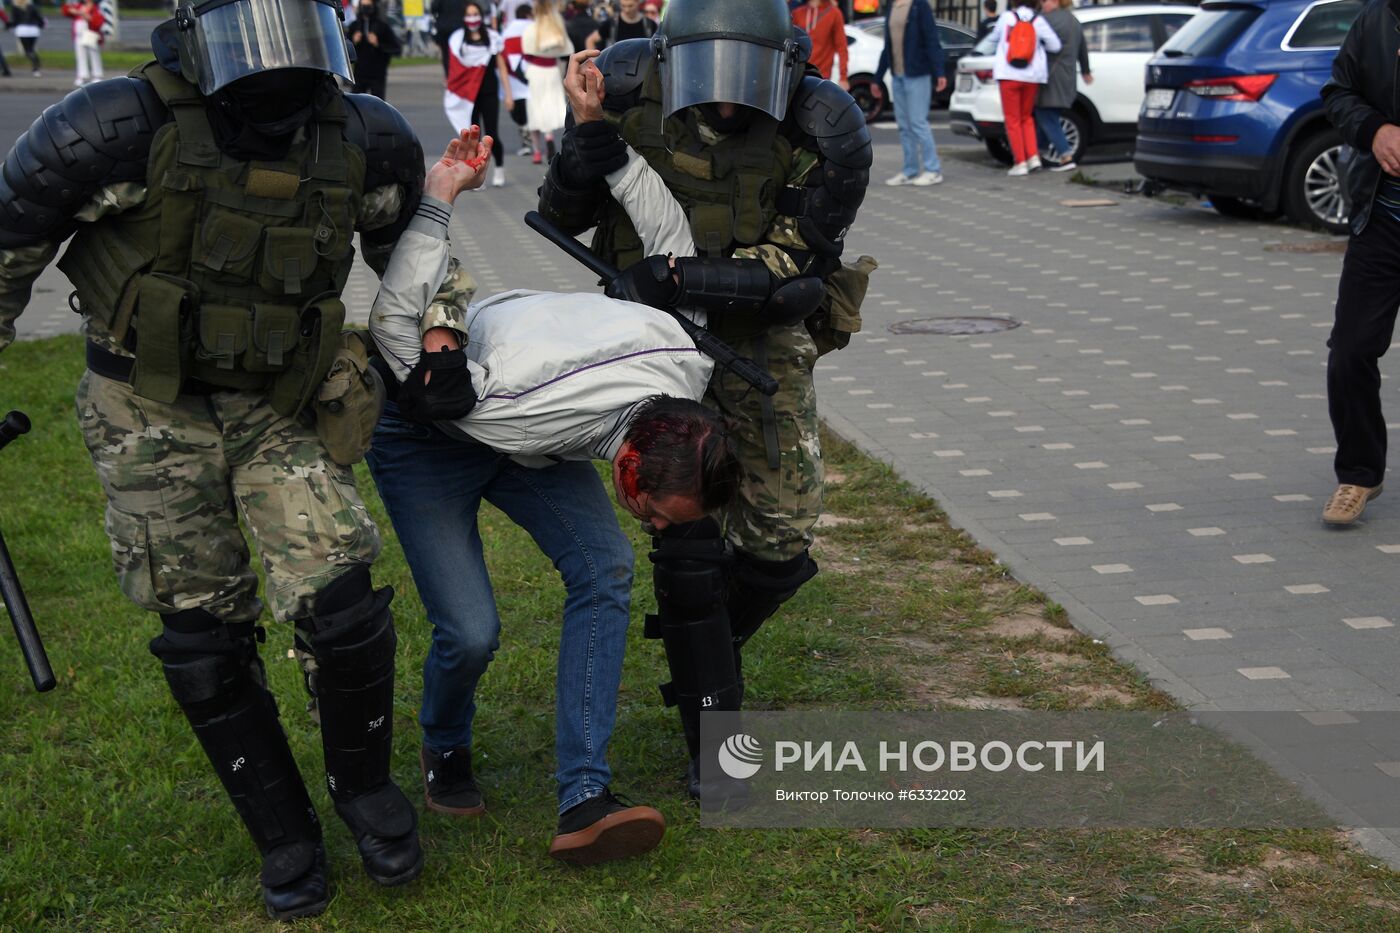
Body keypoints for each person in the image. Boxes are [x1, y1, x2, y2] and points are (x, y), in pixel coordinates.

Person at [0, 0, 478, 920]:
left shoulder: (363, 139)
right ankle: (284, 834)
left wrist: (442, 336)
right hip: (146, 402)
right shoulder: (108, 132)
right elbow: (9, 242)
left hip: (282, 396)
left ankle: (366, 791)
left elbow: (413, 252)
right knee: (202, 635)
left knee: (341, 602)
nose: (276, 72)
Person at [364, 127, 740, 862]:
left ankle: (584, 796)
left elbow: (672, 241)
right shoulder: (523, 404)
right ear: (632, 472)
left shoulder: (689, 359)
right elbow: (390, 324)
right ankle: (443, 744)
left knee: (604, 568)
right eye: (661, 516)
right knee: (471, 630)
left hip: (536, 437)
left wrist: (611, 150)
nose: (662, 529)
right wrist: (439, 197)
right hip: (434, 428)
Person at [539, 0, 874, 803]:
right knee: (684, 521)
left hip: (758, 335)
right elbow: (563, 213)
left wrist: (685, 276)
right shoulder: (626, 83)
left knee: (782, 528)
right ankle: (710, 734)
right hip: (651, 333)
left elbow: (794, 259)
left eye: (744, 78)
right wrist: (584, 135)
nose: (725, 97)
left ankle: (707, 642)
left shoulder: (826, 125)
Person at [1320, 3, 1400, 524]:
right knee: (1349, 353)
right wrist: (1373, 128)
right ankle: (1358, 475)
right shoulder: (1377, 18)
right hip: (1383, 222)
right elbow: (1337, 93)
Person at [875, 0, 946, 186]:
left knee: (918, 123)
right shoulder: (892, 6)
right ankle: (910, 170)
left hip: (917, 74)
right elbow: (888, 45)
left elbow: (931, 39)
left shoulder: (919, 6)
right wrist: (878, 78)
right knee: (904, 126)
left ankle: (933, 170)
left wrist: (939, 72)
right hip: (898, 75)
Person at [444, 3, 513, 187]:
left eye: (475, 14)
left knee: (491, 134)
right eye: (469, 14)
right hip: (469, 95)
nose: (472, 18)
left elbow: (502, 67)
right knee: (473, 137)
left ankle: (498, 167)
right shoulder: (458, 40)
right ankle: (476, 175)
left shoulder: (492, 37)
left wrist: (508, 94)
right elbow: (454, 69)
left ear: (481, 16)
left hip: (489, 92)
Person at [992, 0, 1060, 176]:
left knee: (1012, 120)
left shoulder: (1006, 17)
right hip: (1032, 76)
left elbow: (993, 38)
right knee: (1027, 118)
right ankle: (1033, 157)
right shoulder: (1038, 21)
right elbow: (1055, 45)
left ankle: (1020, 162)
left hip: (1008, 74)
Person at [1035, 0, 1089, 172]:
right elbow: (1083, 49)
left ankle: (1066, 156)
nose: (1041, 4)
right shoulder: (1074, 20)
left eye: (1044, 1)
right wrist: (1086, 71)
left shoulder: (1045, 20)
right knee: (1050, 115)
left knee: (1045, 114)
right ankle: (1038, 154)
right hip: (1068, 77)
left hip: (1050, 77)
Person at [522, 0, 570, 163]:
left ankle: (537, 151)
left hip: (536, 71)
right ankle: (549, 136)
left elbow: (527, 54)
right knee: (550, 105)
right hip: (552, 71)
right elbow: (566, 51)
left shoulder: (531, 29)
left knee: (535, 108)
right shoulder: (557, 28)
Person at [346, 0, 403, 99]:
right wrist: (353, 41)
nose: (366, 9)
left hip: (377, 74)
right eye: (363, 6)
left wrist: (378, 44)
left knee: (377, 106)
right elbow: (345, 50)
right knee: (356, 103)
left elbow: (396, 48)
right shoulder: (355, 26)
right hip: (359, 73)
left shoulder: (382, 26)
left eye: (368, 6)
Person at [501, 3, 535, 157]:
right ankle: (538, 145)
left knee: (520, 114)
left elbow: (502, 53)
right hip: (533, 74)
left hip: (514, 78)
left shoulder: (508, 30)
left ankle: (527, 143)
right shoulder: (534, 28)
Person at [792, 0, 847, 88]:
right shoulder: (797, 12)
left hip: (821, 76)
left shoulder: (834, 13)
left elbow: (842, 47)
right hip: (798, 74)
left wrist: (843, 77)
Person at [61, 0, 103, 86]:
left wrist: (88, 17)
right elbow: (66, 11)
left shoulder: (95, 8)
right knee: (80, 55)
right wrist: (71, 10)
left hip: (90, 34)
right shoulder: (78, 5)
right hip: (78, 35)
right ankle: (82, 75)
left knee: (94, 54)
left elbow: (99, 21)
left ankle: (97, 75)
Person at [9, 0, 45, 77]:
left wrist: (9, 26)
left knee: (27, 50)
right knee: (31, 49)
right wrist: (41, 25)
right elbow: (39, 18)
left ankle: (35, 66)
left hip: (22, 30)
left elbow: (14, 20)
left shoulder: (15, 7)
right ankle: (36, 67)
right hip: (33, 30)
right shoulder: (32, 7)